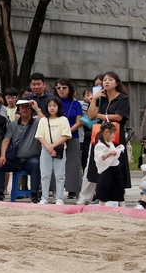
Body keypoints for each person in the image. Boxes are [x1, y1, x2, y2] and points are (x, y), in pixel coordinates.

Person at [79, 71, 131, 205]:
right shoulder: (101, 97)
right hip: (101, 135)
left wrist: (101, 116)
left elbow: (119, 116)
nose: (106, 82)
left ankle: (118, 198)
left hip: (116, 135)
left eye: (110, 80)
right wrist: (94, 99)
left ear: (117, 82)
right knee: (98, 163)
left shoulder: (123, 98)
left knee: (116, 165)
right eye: (105, 80)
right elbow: (91, 115)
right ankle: (99, 196)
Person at [0, 99, 42, 201]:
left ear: (31, 110)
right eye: (22, 107)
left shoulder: (37, 123)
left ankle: (35, 193)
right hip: (15, 160)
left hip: (31, 159)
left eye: (27, 107)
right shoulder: (13, 124)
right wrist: (2, 156)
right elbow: (6, 140)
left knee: (36, 163)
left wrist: (37, 108)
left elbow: (46, 122)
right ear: (19, 110)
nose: (25, 109)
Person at [35, 96, 70, 205]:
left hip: (59, 149)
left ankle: (59, 197)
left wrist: (53, 146)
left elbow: (65, 135)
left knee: (60, 175)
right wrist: (48, 147)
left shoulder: (63, 120)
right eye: (49, 106)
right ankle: (44, 197)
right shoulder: (43, 120)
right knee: (45, 174)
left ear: (58, 107)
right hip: (45, 150)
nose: (52, 108)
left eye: (54, 106)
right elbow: (40, 136)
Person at [92, 122, 125, 207]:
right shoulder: (100, 145)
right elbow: (100, 158)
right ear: (107, 132)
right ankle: (102, 205)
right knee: (104, 187)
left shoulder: (110, 143)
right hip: (106, 169)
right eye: (113, 133)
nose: (114, 136)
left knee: (119, 187)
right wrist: (110, 154)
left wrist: (118, 150)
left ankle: (122, 204)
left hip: (115, 167)